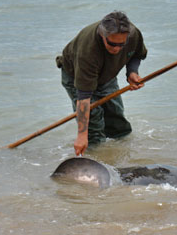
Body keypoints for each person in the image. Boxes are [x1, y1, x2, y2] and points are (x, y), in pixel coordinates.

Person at [56, 11, 147, 156]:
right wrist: (81, 136)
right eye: (112, 44)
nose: (117, 49)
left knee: (116, 118)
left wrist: (132, 72)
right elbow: (84, 97)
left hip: (107, 75)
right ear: (102, 35)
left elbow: (137, 54)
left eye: (121, 45)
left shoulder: (133, 34)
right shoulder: (88, 50)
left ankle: (123, 157)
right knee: (93, 122)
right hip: (76, 74)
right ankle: (95, 158)